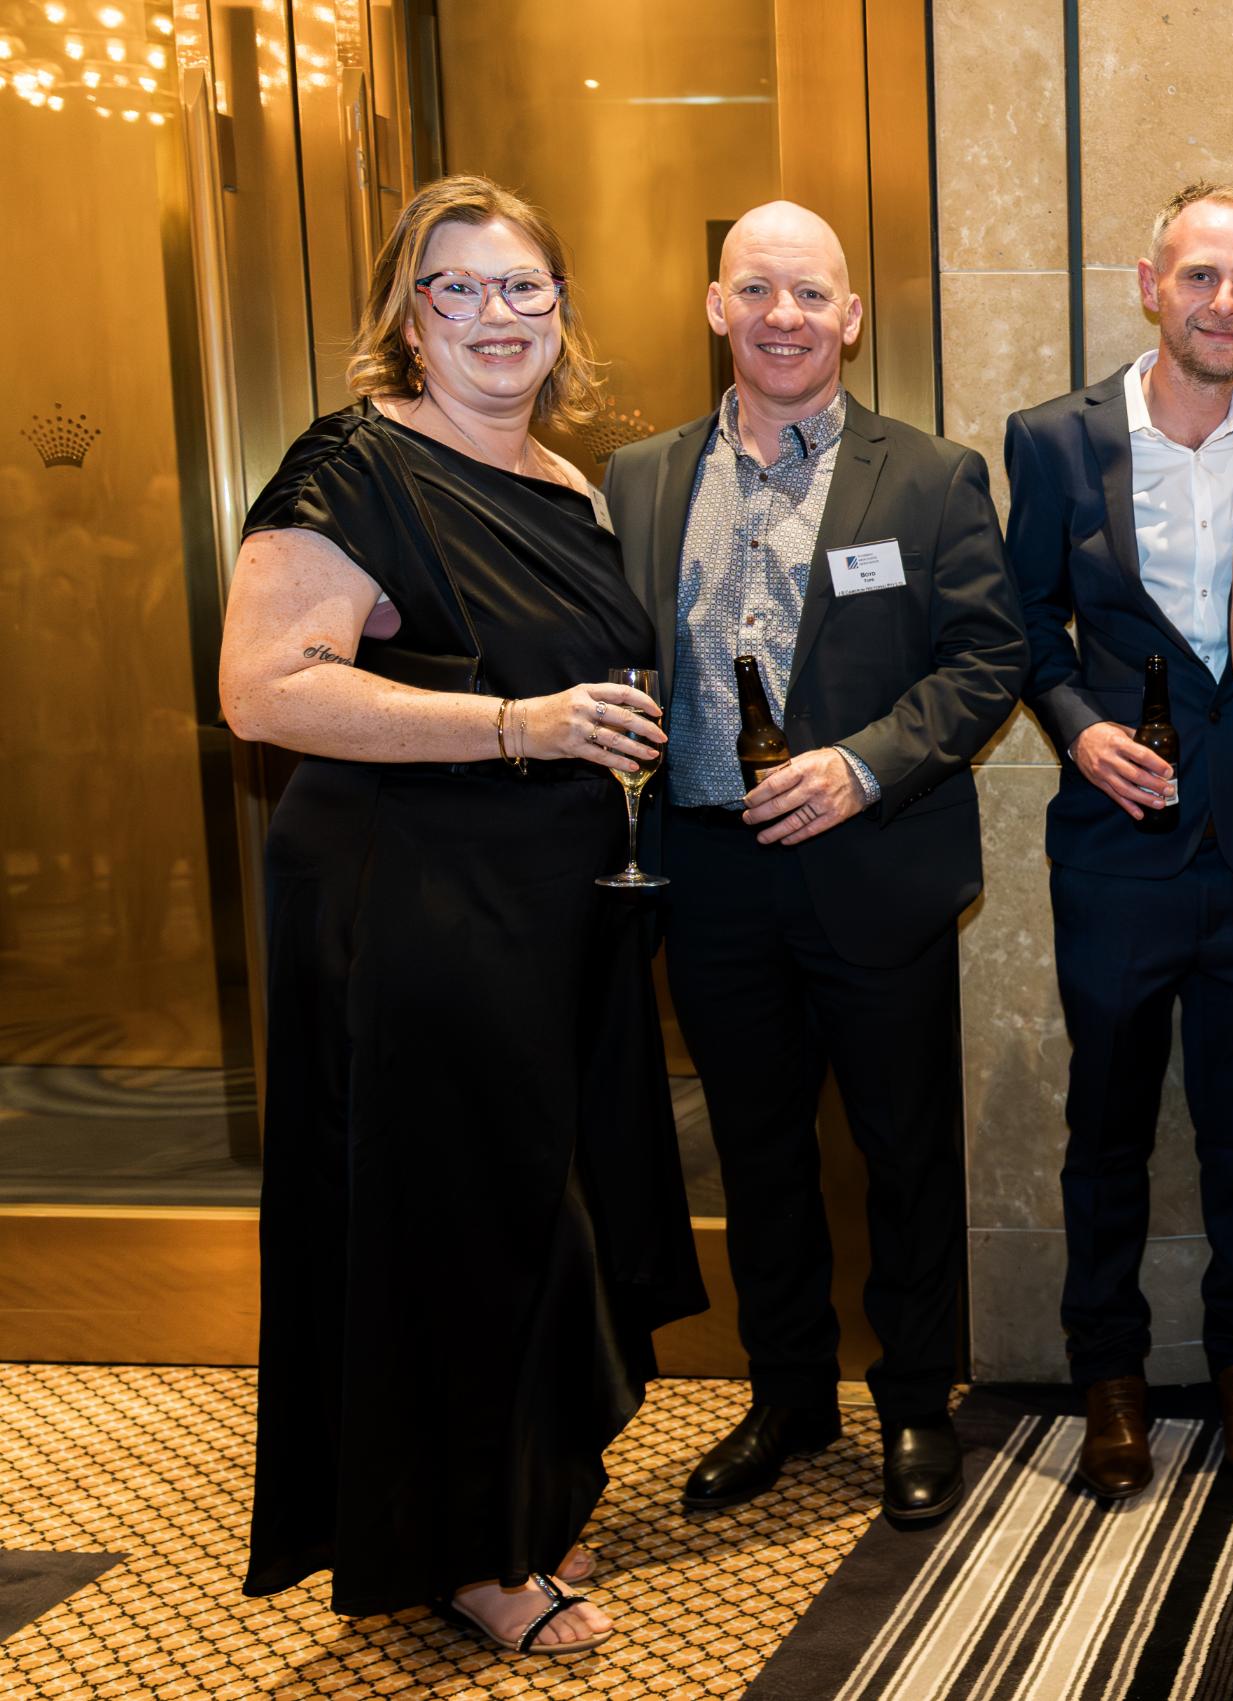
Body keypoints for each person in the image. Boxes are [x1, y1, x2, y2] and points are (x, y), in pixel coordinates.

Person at [224, 175, 706, 1659]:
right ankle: (468, 1547)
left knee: (542, 1199)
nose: (496, 315)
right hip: (412, 907)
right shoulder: (356, 462)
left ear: (560, 310)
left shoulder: (570, 481)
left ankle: (523, 1491)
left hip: (550, 907)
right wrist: (518, 725)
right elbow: (264, 691)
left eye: (522, 287)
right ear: (408, 316)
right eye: (458, 288)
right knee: (463, 1216)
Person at [606, 200, 1026, 1530]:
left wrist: (861, 764)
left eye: (809, 294)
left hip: (872, 861)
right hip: (707, 870)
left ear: (848, 317)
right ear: (715, 307)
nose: (781, 315)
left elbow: (989, 659)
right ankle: (787, 1396)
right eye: (755, 289)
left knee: (903, 1151)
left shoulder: (932, 476)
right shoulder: (637, 478)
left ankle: (914, 1400)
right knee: (756, 1151)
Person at [1002, 182, 1233, 1500]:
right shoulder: (1052, 441)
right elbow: (1019, 619)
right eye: (1201, 276)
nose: (1223, 303)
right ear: (1150, 284)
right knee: (1108, 1129)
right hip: (1116, 845)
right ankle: (1108, 1378)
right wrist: (1075, 729)